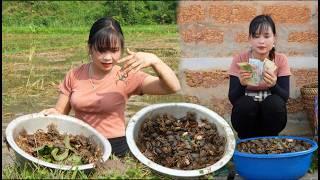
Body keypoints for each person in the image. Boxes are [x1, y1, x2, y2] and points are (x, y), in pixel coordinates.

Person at [41, 17, 181, 156]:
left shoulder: (126, 75)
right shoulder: (75, 75)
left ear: (121, 49)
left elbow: (172, 87)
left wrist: (155, 61)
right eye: (101, 50)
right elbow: (60, 113)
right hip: (80, 145)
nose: (108, 57)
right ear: (90, 48)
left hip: (116, 148)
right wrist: (50, 114)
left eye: (114, 50)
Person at [228, 14, 291, 139]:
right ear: (249, 39)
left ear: (274, 38)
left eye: (267, 36)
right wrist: (242, 84)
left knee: (275, 103)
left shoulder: (280, 60)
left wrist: (274, 85)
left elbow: (284, 98)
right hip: (246, 119)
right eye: (256, 36)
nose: (261, 41)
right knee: (245, 104)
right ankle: (245, 142)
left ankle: (271, 140)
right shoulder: (240, 59)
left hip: (272, 118)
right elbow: (233, 99)